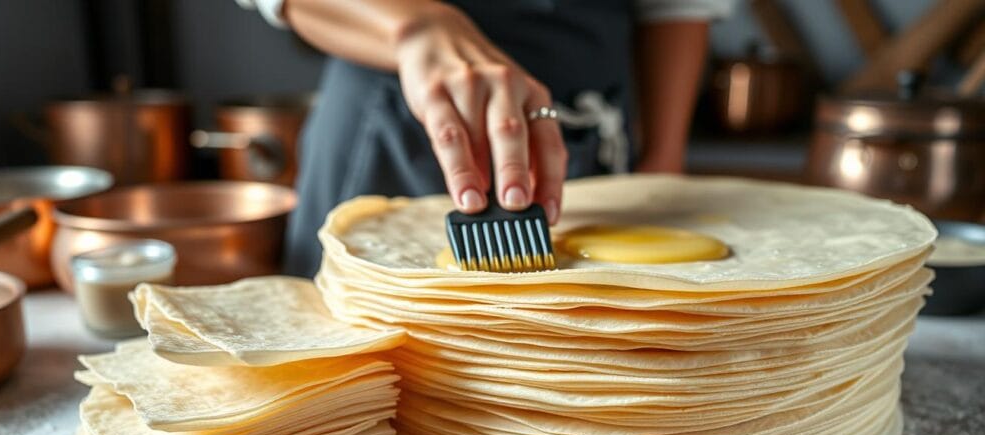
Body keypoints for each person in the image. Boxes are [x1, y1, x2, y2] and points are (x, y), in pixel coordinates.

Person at [237, 0, 734, 276]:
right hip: (386, 132)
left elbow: (677, 6)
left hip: (584, 132)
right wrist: (416, 27)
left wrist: (664, 157)